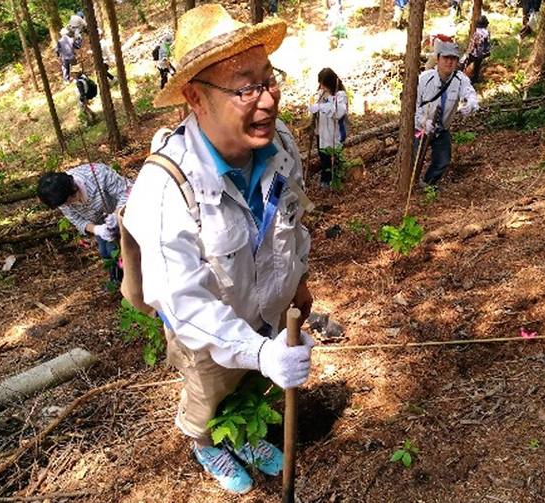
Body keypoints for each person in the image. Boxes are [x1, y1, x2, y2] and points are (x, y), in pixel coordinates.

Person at [124, 4, 314, 494]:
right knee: (209, 394)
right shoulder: (166, 188)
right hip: (206, 333)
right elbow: (183, 304)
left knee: (253, 383)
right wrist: (256, 350)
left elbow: (293, 220)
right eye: (244, 87)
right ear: (194, 97)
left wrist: (299, 284)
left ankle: (244, 434)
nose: (267, 101)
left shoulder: (281, 145)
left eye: (269, 81)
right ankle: (207, 442)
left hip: (267, 312)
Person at [37, 164, 131, 286]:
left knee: (121, 249)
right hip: (101, 223)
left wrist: (116, 215)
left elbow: (126, 193)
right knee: (105, 252)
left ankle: (131, 278)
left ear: (73, 190)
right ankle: (117, 280)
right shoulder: (60, 197)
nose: (67, 206)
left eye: (67, 202)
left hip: (125, 212)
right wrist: (97, 229)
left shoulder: (98, 174)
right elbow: (77, 220)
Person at [414, 40, 478, 187]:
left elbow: (469, 93)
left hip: (441, 128)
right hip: (421, 128)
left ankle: (428, 184)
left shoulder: (459, 79)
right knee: (414, 156)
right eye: (446, 58)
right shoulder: (424, 79)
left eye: (453, 59)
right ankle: (410, 184)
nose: (449, 62)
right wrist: (423, 122)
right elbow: (412, 107)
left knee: (443, 160)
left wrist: (471, 103)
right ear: (438, 59)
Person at [308, 68, 348, 189]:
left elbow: (338, 112)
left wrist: (321, 107)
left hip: (334, 133)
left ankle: (335, 183)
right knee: (323, 157)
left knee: (333, 158)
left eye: (324, 84)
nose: (322, 87)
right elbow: (317, 106)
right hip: (322, 132)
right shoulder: (321, 95)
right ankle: (325, 181)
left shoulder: (340, 95)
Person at [462, 15, 491, 84]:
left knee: (466, 64)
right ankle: (475, 79)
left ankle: (464, 78)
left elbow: (472, 45)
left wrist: (467, 53)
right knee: (477, 67)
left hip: (474, 53)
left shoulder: (477, 34)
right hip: (482, 53)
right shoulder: (487, 32)